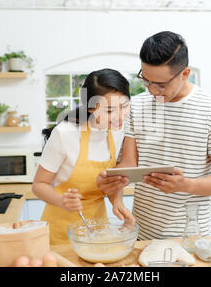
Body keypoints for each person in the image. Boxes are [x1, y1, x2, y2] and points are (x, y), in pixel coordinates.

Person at [96, 31, 211, 240]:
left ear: (185, 73)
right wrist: (111, 181)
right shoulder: (137, 106)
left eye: (161, 84)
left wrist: (186, 185)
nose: (152, 90)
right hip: (141, 236)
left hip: (190, 238)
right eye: (146, 80)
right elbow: (129, 163)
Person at [32, 68, 134, 244]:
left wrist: (116, 201)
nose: (120, 116)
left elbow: (110, 180)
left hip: (97, 230)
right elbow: (39, 185)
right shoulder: (65, 134)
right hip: (60, 234)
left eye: (124, 106)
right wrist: (62, 200)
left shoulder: (116, 133)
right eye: (110, 111)